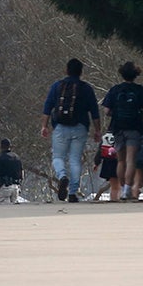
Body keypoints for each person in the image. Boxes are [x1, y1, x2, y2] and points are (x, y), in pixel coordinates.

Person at [40, 58, 101, 203]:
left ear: (66, 70)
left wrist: (44, 126)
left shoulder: (57, 86)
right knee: (75, 159)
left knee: (58, 157)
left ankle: (62, 177)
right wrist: (97, 130)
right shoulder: (86, 88)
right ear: (81, 72)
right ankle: (73, 192)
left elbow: (47, 107)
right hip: (80, 128)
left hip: (60, 127)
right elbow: (94, 111)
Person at [102, 61, 143, 203]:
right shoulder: (141, 90)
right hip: (135, 127)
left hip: (118, 127)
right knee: (131, 159)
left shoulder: (115, 90)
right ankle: (127, 189)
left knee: (120, 160)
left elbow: (106, 110)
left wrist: (116, 113)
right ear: (136, 74)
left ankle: (121, 186)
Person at [0, 138, 23, 204]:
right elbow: (21, 173)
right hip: (15, 187)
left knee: (4, 210)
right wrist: (19, 184)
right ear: (10, 146)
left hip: (5, 187)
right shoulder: (16, 157)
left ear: (1, 146)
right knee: (14, 210)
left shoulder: (0, 159)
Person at [92, 133, 121, 202]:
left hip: (108, 162)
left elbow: (100, 151)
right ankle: (116, 199)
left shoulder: (106, 136)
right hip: (121, 162)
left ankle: (113, 199)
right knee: (118, 186)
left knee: (114, 186)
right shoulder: (124, 134)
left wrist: (96, 163)